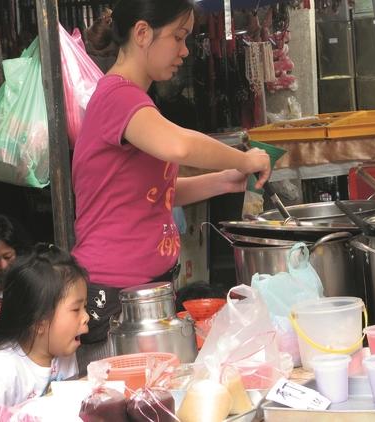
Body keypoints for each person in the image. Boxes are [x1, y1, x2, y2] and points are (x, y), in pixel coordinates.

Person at [71, 0, 272, 367]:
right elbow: (179, 145)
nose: (184, 51)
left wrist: (224, 181)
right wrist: (242, 159)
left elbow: (155, 195)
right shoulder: (118, 96)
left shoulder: (135, 101)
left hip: (147, 289)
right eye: (178, 38)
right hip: (115, 296)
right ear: (143, 33)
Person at [0, 243, 90, 420]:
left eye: (85, 307)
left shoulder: (64, 357)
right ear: (39, 321)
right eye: (76, 309)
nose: (86, 317)